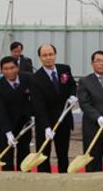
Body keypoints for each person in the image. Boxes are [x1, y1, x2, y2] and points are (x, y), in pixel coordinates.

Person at [29, 44, 77, 173]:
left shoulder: (64, 69)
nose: (48, 58)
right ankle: (44, 181)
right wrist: (46, 127)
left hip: (64, 120)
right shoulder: (35, 78)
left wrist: (73, 95)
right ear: (40, 58)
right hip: (45, 123)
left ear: (55, 55)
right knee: (44, 155)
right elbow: (38, 105)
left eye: (50, 54)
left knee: (63, 154)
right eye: (44, 55)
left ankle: (63, 179)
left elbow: (72, 85)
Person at [0, 56, 34, 171]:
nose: (9, 71)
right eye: (6, 69)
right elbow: (1, 111)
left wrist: (33, 114)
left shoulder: (28, 78)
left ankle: (24, 179)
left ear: (18, 68)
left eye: (12, 68)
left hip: (24, 123)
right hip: (5, 124)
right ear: (1, 70)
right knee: (7, 157)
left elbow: (35, 98)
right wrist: (8, 132)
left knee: (24, 153)